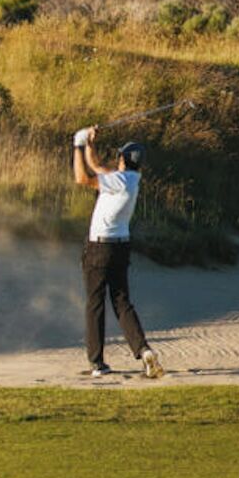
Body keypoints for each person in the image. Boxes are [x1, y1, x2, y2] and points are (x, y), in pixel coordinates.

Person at [73, 126, 164, 379]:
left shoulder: (120, 180)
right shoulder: (131, 179)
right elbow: (98, 167)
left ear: (123, 159)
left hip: (99, 248)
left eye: (119, 156)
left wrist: (77, 145)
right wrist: (90, 144)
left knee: (95, 303)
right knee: (122, 302)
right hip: (120, 247)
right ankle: (143, 350)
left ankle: (97, 362)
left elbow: (82, 177)